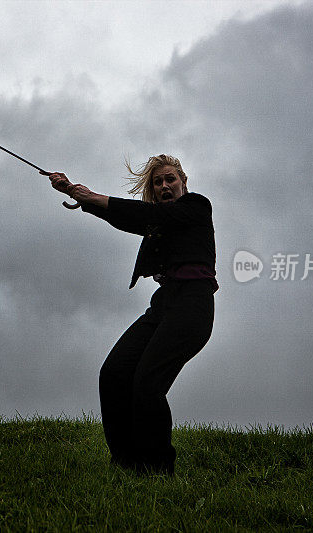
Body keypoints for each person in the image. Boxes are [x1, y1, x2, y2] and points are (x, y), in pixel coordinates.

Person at [47, 154, 217, 475]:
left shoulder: (196, 207)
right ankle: (126, 464)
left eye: (170, 179)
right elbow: (129, 218)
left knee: (147, 383)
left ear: (183, 182)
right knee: (114, 374)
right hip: (164, 303)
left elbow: (144, 215)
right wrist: (74, 192)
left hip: (193, 303)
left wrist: (92, 196)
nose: (165, 185)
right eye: (158, 182)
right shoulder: (156, 220)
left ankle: (157, 469)